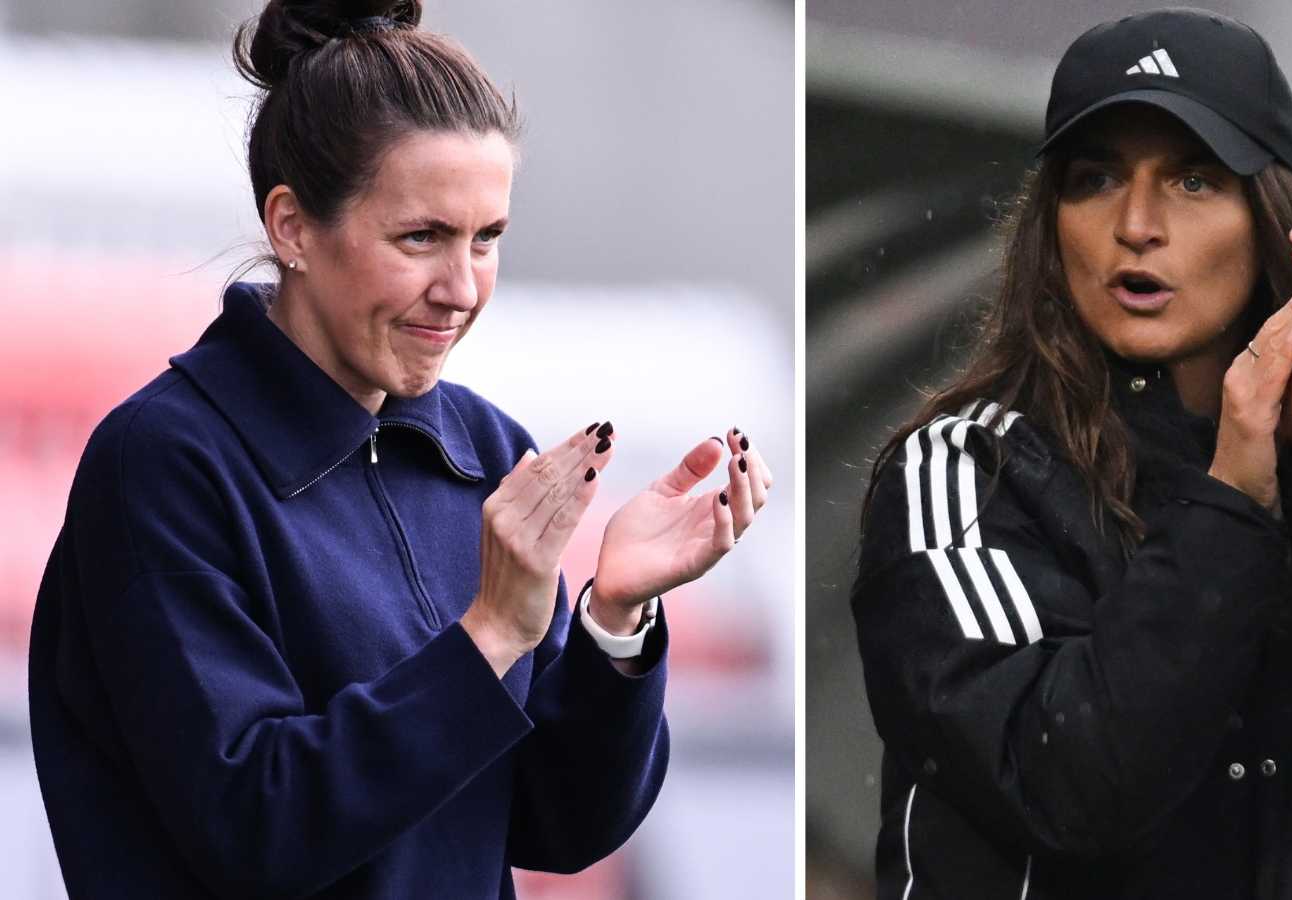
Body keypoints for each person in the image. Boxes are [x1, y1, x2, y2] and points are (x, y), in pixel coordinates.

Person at [28, 1, 773, 897]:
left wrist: (614, 621)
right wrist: (490, 634)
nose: (461, 289)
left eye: (487, 239)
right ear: (292, 226)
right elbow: (253, 827)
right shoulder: (160, 465)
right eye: (421, 237)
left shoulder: (487, 447)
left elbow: (557, 825)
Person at [850, 8, 1292, 899]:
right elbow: (1075, 784)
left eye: (1193, 180)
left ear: (1276, 225)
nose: (1137, 223)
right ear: (1048, 227)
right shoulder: (963, 470)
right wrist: (1234, 490)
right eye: (1095, 178)